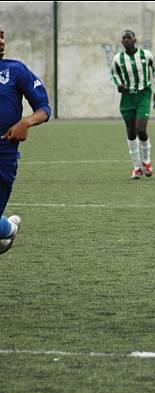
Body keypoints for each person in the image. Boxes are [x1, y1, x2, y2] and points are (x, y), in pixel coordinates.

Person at [0, 25, 51, 255]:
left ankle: (8, 228)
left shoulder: (15, 70)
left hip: (4, 157)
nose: (1, 41)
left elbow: (44, 108)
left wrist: (26, 122)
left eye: (2, 36)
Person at [110, 29, 155, 179]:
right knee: (131, 132)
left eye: (128, 38)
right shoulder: (117, 59)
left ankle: (147, 162)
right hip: (127, 98)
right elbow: (113, 73)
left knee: (141, 129)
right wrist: (119, 84)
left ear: (135, 40)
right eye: (123, 38)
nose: (126, 40)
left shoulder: (146, 55)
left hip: (143, 95)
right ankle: (137, 167)